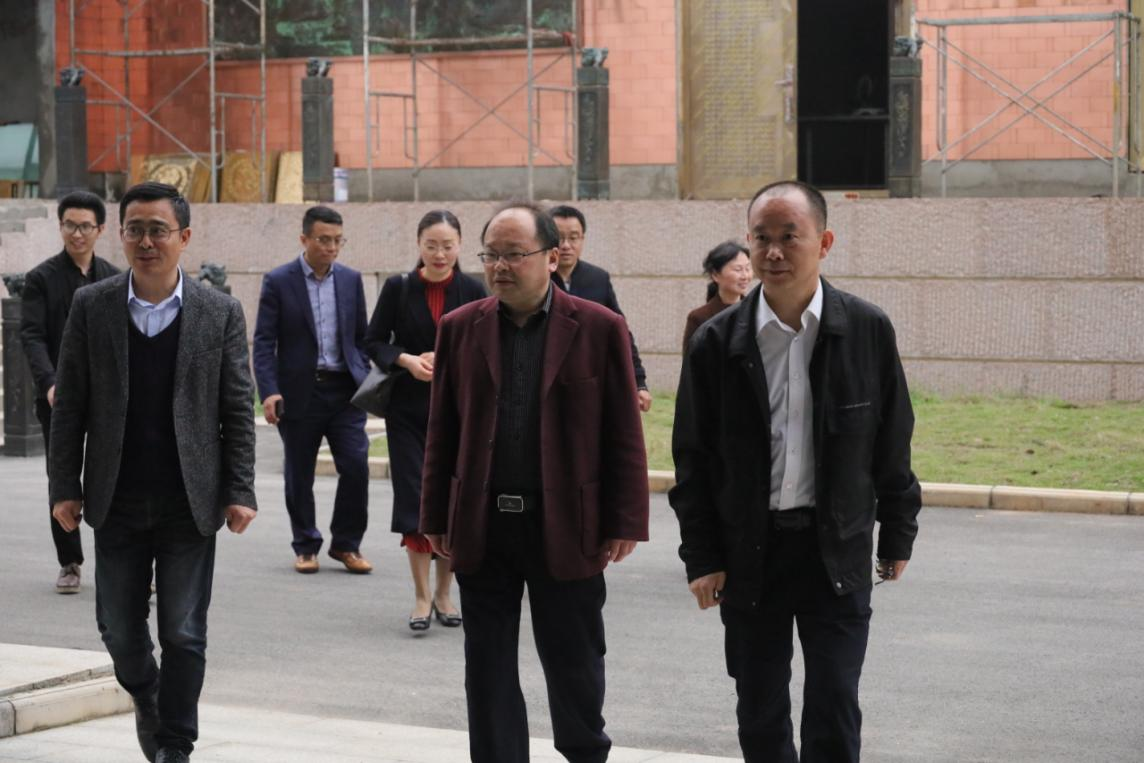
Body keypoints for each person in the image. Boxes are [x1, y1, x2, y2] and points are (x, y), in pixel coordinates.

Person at [669, 180, 921, 763]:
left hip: (835, 547)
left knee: (834, 702)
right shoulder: (716, 343)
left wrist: (898, 534)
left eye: (790, 237)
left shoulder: (866, 329)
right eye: (761, 238)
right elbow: (693, 458)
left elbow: (892, 441)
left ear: (824, 242)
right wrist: (702, 556)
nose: (774, 252)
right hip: (749, 552)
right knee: (759, 707)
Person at [421, 202, 650, 763]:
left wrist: (625, 519)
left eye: (514, 254)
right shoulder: (460, 327)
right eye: (491, 255)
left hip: (568, 523)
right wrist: (434, 517)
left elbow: (623, 431)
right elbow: (442, 430)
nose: (500, 266)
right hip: (483, 522)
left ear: (552, 257)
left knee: (576, 663)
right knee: (488, 668)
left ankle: (585, 754)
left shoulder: (599, 327)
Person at [48, 181, 258, 763]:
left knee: (184, 632)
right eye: (135, 230)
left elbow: (236, 408)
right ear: (121, 235)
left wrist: (240, 489)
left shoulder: (218, 311)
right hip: (115, 495)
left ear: (183, 237)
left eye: (158, 230)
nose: (146, 242)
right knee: (117, 628)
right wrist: (64, 487)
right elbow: (70, 407)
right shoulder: (93, 307)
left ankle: (175, 746)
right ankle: (147, 693)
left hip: (189, 499)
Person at [364, 209, 486, 631]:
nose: (439, 253)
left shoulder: (474, 290)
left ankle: (444, 593)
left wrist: (450, 362)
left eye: (447, 246)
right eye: (431, 245)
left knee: (452, 503)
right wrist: (407, 360)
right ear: (419, 244)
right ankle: (420, 596)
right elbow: (373, 341)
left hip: (459, 413)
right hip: (408, 414)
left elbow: (487, 345)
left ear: (460, 246)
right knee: (414, 503)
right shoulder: (399, 288)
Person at [253, 205, 373, 575]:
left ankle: (346, 544)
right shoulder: (279, 281)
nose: (331, 247)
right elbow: (264, 342)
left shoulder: (351, 280)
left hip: (345, 392)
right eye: (323, 240)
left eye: (338, 240)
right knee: (299, 473)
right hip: (299, 393)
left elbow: (361, 337)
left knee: (356, 466)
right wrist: (269, 391)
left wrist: (364, 373)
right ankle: (305, 545)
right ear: (304, 239)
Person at [20, 191, 119, 594]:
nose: (77, 234)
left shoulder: (115, 278)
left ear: (100, 229)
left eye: (85, 226)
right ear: (60, 227)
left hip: (107, 398)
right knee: (62, 477)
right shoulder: (40, 279)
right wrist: (49, 383)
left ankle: (122, 561)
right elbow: (31, 335)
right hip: (58, 399)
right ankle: (70, 561)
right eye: (70, 225)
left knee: (116, 474)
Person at [548, 204, 653, 412]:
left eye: (574, 237)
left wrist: (639, 381)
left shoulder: (598, 279)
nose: (566, 245)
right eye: (559, 238)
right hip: (548, 379)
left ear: (583, 239)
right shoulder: (536, 279)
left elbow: (620, 331)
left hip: (591, 378)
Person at [681, 240, 752, 352]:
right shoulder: (699, 318)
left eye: (748, 268)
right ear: (715, 275)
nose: (745, 276)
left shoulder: (756, 311)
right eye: (738, 269)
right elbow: (691, 359)